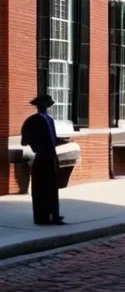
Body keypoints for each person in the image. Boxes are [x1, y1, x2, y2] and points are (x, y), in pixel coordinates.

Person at [21, 95, 64, 225]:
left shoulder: (50, 120)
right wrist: (37, 145)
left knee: (52, 188)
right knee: (40, 189)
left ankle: (54, 214)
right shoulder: (33, 121)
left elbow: (53, 138)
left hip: (51, 157)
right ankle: (41, 217)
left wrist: (62, 141)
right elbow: (24, 140)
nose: (45, 108)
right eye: (44, 105)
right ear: (39, 106)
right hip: (41, 158)